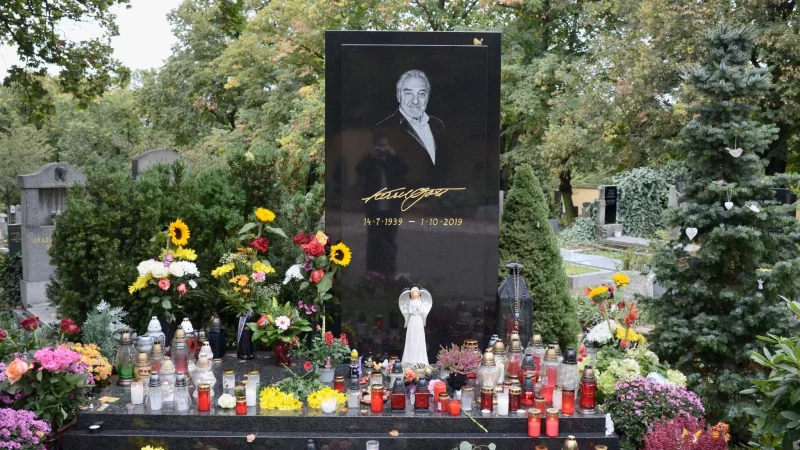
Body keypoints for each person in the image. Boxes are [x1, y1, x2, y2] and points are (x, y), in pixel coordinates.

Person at [375, 70, 448, 180]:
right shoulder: (385, 126)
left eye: (421, 94)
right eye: (409, 93)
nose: (415, 101)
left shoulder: (437, 124)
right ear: (398, 96)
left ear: (427, 97)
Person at [399, 286, 433, 365]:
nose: (415, 295)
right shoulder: (411, 302)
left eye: (416, 293)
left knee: (419, 337)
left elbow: (422, 311)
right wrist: (415, 310)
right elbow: (410, 311)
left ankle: (420, 359)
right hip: (412, 320)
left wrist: (418, 309)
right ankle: (409, 359)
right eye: (413, 294)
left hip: (418, 320)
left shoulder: (420, 302)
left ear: (419, 295)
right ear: (411, 295)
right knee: (412, 336)